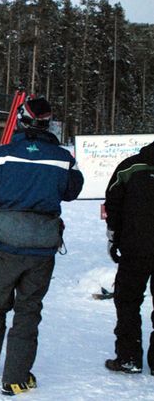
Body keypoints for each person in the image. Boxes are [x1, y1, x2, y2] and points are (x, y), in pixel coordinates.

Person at [0, 97, 83, 396]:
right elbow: (72, 190)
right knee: (28, 310)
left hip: (4, 243)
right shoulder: (62, 157)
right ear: (48, 123)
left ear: (20, 121)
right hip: (41, 246)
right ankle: (15, 377)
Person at [104, 140, 154, 375]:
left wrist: (113, 238)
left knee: (127, 302)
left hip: (135, 248)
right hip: (135, 246)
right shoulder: (129, 167)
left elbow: (112, 204)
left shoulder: (129, 166)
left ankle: (128, 357)